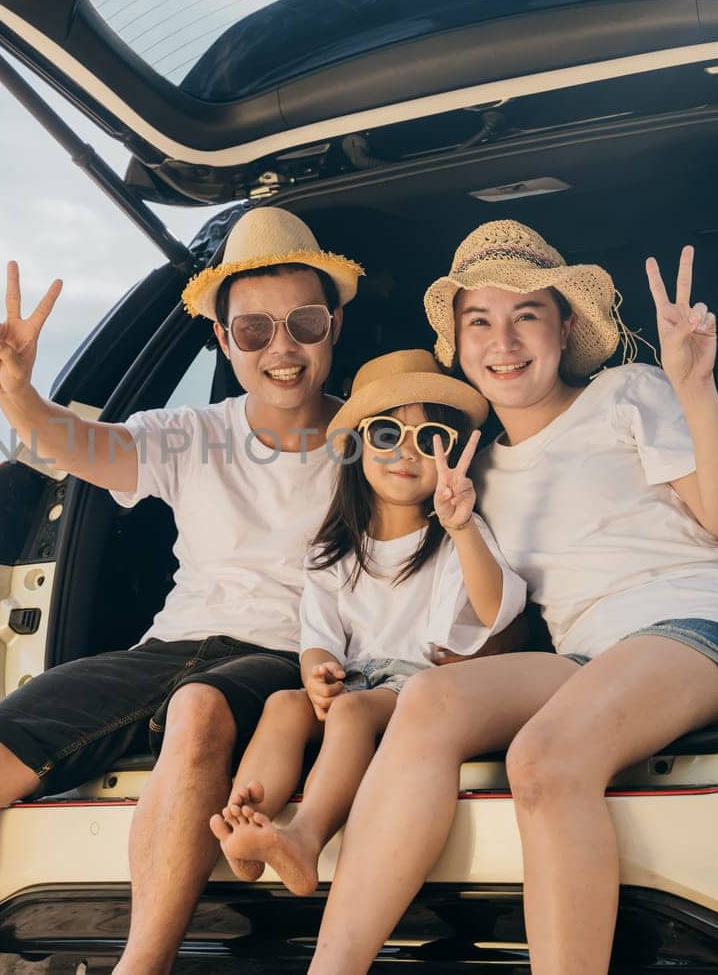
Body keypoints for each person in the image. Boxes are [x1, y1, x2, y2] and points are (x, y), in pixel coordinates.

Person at [0, 207, 367, 975]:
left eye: (303, 322)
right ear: (221, 338)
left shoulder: (374, 440)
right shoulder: (194, 431)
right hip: (169, 649)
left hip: (286, 655)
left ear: (334, 322)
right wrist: (17, 394)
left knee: (197, 710)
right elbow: (84, 448)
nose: (282, 348)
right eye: (253, 331)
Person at [307, 220, 718, 974]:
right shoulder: (474, 470)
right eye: (480, 321)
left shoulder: (628, 391)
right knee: (428, 699)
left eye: (525, 314)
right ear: (458, 344)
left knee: (544, 755)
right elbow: (497, 635)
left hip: (701, 619)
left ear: (565, 327)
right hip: (585, 656)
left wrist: (695, 387)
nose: (503, 340)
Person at [208, 349, 526, 897]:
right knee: (284, 704)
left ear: (452, 456)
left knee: (351, 712)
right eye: (386, 434)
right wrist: (317, 672)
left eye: (431, 441)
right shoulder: (333, 552)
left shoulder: (456, 538)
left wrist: (463, 526)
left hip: (418, 687)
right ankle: (248, 818)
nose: (407, 452)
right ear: (354, 448)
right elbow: (318, 636)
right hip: (355, 678)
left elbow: (494, 608)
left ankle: (305, 840)